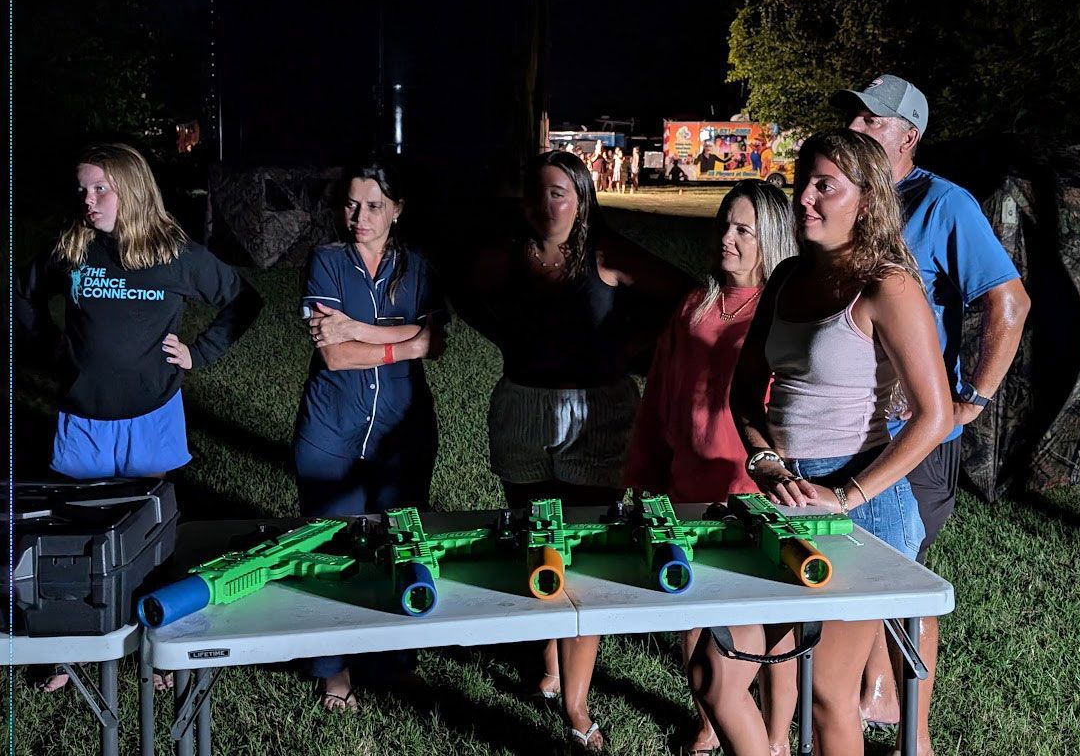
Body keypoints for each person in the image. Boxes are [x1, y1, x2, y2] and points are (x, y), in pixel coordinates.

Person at [690, 129, 953, 756]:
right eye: (802, 181)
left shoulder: (888, 287)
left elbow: (934, 415)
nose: (803, 197)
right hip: (782, 496)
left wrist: (846, 493)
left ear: (866, 200)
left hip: (863, 508)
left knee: (829, 695)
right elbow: (745, 391)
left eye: (824, 186)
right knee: (714, 667)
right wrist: (763, 458)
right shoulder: (784, 278)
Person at [459, 149, 693, 752]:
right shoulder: (506, 257)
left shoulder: (606, 255)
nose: (545, 204)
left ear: (583, 196)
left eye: (558, 192)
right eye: (535, 192)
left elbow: (687, 296)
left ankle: (576, 700)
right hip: (523, 409)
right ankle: (549, 663)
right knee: (534, 535)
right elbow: (465, 296)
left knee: (584, 552)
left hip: (596, 412)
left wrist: (624, 347)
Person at [15, 142, 263, 692]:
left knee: (150, 532)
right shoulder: (73, 248)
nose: (89, 199)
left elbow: (242, 299)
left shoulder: (175, 254)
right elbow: (22, 293)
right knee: (76, 533)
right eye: (82, 189)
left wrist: (202, 351)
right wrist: (50, 348)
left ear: (133, 189)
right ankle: (68, 649)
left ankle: (160, 651)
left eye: (101, 188)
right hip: (83, 417)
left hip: (150, 414)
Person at [833, 74, 1030, 755]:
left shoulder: (945, 204)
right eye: (854, 117)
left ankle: (910, 731)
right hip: (840, 424)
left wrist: (970, 401)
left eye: (873, 122)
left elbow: (1010, 302)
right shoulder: (849, 198)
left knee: (902, 575)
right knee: (856, 568)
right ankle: (872, 698)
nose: (857, 128)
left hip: (910, 430)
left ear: (908, 135)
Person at [624, 179, 796, 756]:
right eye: (724, 224)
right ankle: (710, 720)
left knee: (770, 632)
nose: (727, 236)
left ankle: (771, 738)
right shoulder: (695, 304)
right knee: (693, 608)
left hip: (749, 485)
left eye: (743, 229)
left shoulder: (780, 311)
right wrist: (644, 469)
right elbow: (658, 396)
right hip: (687, 479)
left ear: (769, 238)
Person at [293, 158, 447, 712]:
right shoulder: (327, 262)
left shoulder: (419, 268)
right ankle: (333, 670)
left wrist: (361, 329)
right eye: (353, 204)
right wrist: (406, 343)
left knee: (397, 543)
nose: (361, 216)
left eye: (375, 205)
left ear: (398, 210)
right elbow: (334, 356)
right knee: (332, 549)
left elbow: (438, 340)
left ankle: (391, 659)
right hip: (332, 428)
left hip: (401, 432)